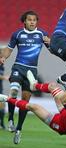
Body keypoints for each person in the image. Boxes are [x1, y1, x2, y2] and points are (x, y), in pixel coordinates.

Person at [0, 64, 66, 135]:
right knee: (52, 86)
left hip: (60, 124)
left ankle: (6, 99)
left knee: (32, 106)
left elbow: (64, 100)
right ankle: (34, 85)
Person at [0, 11, 50, 144]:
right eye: (29, 20)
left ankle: (18, 130)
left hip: (32, 71)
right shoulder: (17, 34)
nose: (32, 22)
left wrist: (50, 42)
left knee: (25, 101)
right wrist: (3, 57)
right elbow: (9, 49)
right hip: (18, 67)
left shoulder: (42, 34)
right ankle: (10, 118)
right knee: (14, 91)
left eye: (34, 20)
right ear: (25, 21)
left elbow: (51, 48)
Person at [0, 48, 9, 129]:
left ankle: (2, 124)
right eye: (3, 52)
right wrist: (4, 77)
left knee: (2, 106)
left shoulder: (2, 65)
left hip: (0, 88)